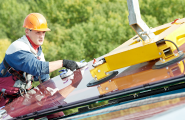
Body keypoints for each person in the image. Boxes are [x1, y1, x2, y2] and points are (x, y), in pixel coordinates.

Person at [0, 13, 79, 106]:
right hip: (4, 101)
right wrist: (64, 63)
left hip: (22, 98)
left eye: (43, 32)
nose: (41, 36)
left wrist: (56, 98)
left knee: (54, 110)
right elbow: (36, 68)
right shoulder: (18, 47)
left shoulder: (38, 51)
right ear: (27, 32)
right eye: (38, 32)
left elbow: (44, 78)